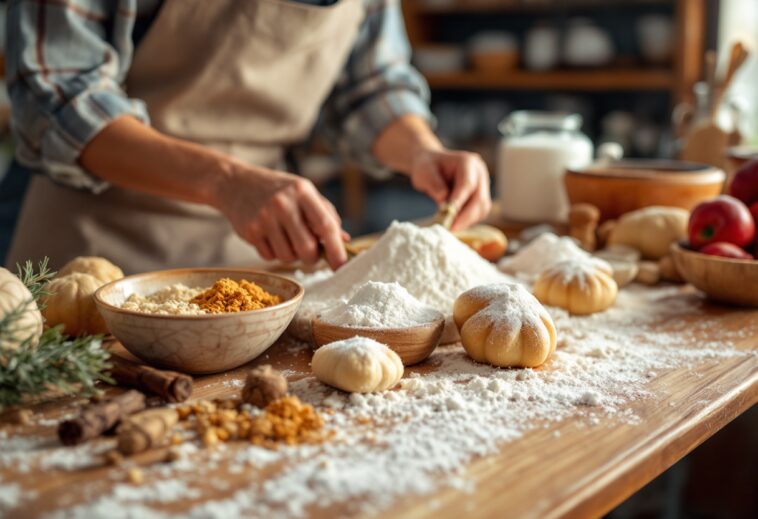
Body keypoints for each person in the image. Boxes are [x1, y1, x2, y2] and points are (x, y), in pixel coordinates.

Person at [4, 0, 491, 274]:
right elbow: (59, 99)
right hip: (92, 251)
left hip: (259, 260)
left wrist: (423, 150)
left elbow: (369, 88)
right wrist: (226, 182)